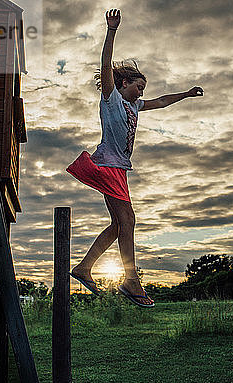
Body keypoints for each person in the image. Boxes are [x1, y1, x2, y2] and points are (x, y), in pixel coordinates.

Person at [66, 9, 203, 308]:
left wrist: (187, 94)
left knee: (120, 224)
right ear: (124, 83)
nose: (142, 92)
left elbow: (163, 101)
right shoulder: (111, 97)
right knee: (128, 221)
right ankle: (130, 280)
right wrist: (112, 30)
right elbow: (105, 64)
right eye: (138, 86)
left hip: (118, 169)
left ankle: (84, 267)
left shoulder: (135, 107)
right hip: (108, 166)